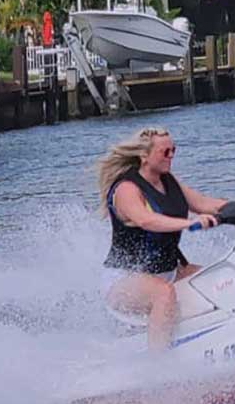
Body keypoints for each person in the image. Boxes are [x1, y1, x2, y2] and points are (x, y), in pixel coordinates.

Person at [97, 127, 227, 351]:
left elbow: (204, 204)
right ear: (144, 156)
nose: (171, 156)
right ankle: (159, 368)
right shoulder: (127, 189)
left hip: (169, 271)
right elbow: (146, 220)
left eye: (173, 150)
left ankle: (222, 339)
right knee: (163, 293)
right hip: (125, 279)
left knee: (218, 278)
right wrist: (189, 223)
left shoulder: (168, 180)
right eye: (165, 152)